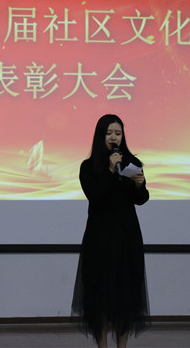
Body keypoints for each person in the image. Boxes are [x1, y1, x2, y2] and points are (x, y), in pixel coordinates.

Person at [71, 114, 150, 348]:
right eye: (109, 133)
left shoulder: (131, 162)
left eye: (118, 133)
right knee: (99, 300)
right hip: (99, 240)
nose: (114, 137)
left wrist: (139, 185)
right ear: (100, 136)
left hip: (126, 238)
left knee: (125, 299)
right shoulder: (88, 167)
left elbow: (141, 199)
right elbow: (96, 197)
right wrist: (108, 170)